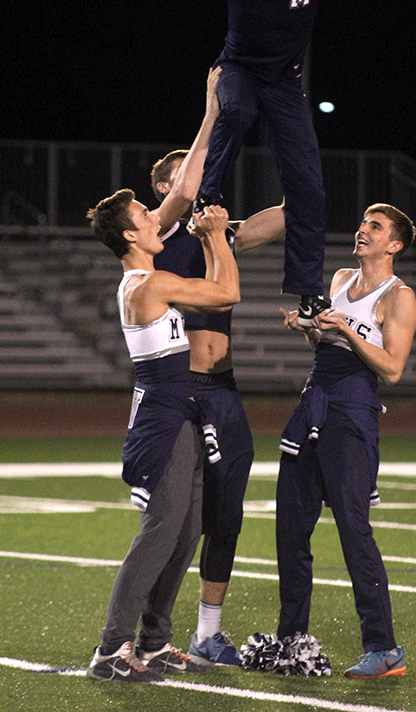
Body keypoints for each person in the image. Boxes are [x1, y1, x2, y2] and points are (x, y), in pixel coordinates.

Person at [181, 0, 403, 325]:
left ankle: (308, 293)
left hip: (284, 85)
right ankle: (208, 202)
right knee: (234, 108)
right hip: (238, 70)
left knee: (308, 189)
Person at [247, 204, 416, 678]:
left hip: (353, 413)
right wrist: (309, 328)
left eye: (375, 227)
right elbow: (325, 345)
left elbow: (393, 368)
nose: (363, 230)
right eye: (363, 222)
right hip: (312, 404)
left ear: (395, 245)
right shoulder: (341, 277)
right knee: (290, 530)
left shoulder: (399, 296)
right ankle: (290, 640)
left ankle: (384, 649)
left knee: (352, 530)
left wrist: (344, 328)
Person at [150, 74, 286, 666]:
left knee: (227, 512)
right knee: (178, 520)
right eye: (191, 175)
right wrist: (211, 109)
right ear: (165, 185)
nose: (205, 183)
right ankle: (148, 628)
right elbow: (186, 190)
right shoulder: (155, 235)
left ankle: (208, 632)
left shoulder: (216, 235)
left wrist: (291, 129)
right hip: (184, 392)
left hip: (224, 391)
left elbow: (284, 215)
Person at [85, 191, 240, 683]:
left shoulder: (147, 280)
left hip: (179, 412)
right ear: (130, 235)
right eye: (145, 217)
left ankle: (154, 642)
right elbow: (227, 293)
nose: (156, 220)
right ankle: (111, 650)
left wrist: (214, 239)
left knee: (188, 527)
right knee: (159, 532)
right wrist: (216, 238)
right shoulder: (148, 283)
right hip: (162, 418)